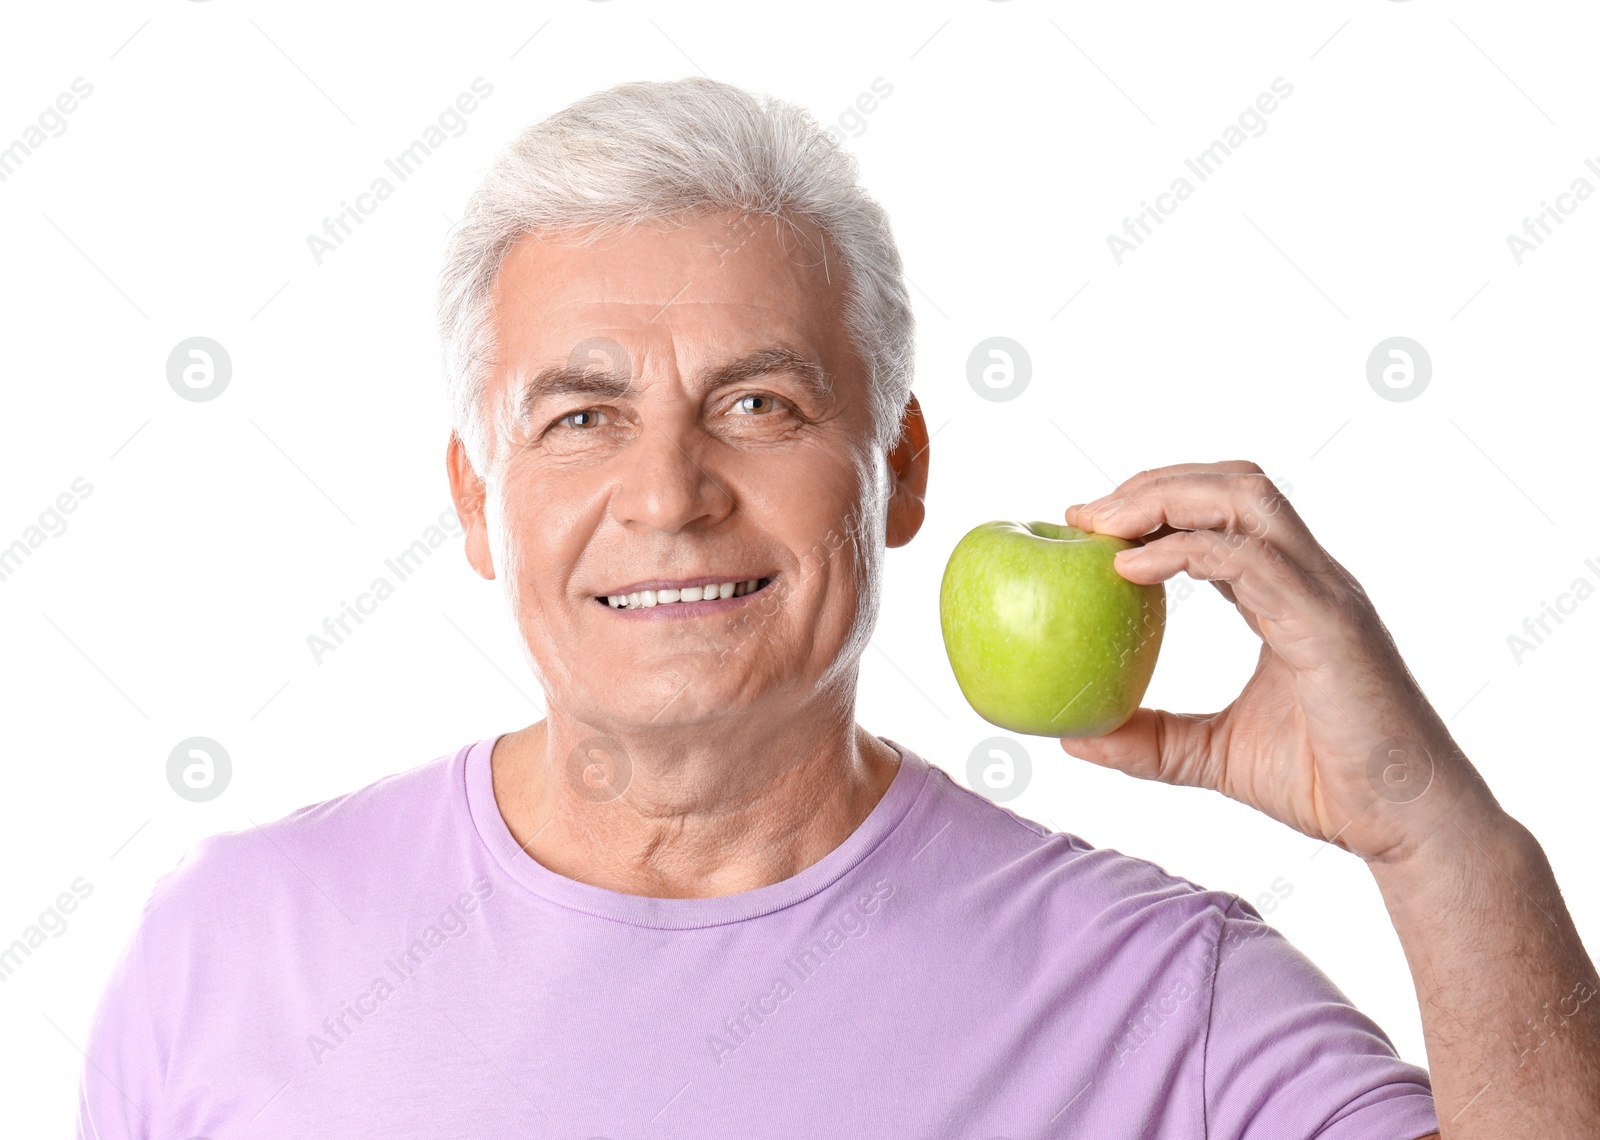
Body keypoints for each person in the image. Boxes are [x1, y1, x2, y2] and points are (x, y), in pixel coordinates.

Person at [78, 76, 1597, 1138]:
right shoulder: (226, 946)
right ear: (480, 503)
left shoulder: (1156, 998)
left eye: (757, 402)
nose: (669, 495)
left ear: (900, 471)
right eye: (582, 418)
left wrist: (1428, 827)